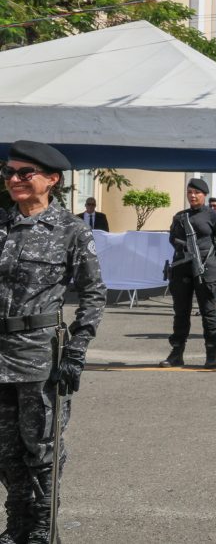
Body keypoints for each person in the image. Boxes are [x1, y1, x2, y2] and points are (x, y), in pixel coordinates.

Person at [1, 141, 105, 544]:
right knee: (6, 453)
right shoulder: (1, 226)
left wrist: (77, 352)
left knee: (42, 451)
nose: (13, 180)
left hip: (39, 356)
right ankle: (17, 526)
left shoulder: (70, 230)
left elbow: (94, 293)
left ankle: (43, 530)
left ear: (52, 179)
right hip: (0, 355)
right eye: (8, 172)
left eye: (24, 173)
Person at [161, 178, 216, 369]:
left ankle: (211, 353)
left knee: (209, 312)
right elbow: (172, 239)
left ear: (204, 195)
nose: (192, 196)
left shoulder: (213, 216)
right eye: (189, 192)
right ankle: (177, 353)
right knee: (180, 313)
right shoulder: (179, 216)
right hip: (182, 268)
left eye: (196, 193)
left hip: (205, 269)